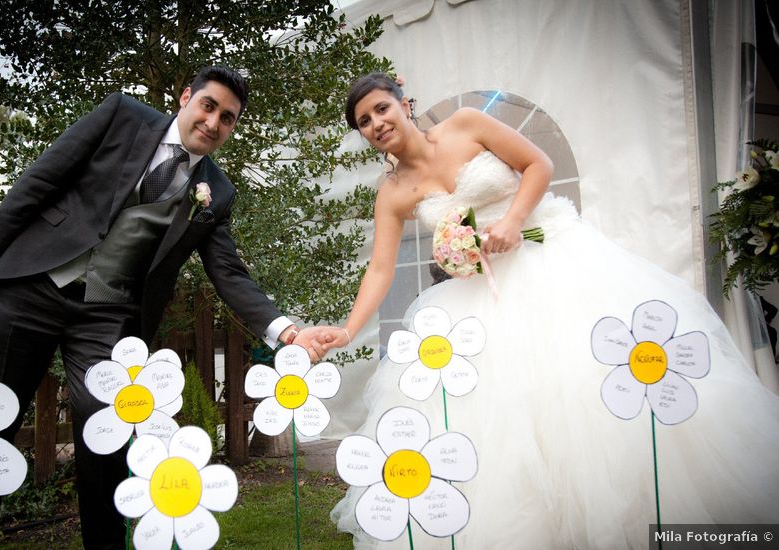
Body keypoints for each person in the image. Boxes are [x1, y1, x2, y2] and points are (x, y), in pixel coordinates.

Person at [310, 73, 779, 548]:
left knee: (583, 381)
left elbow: (537, 163)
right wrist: (349, 330)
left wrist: (513, 221)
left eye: (381, 109)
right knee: (506, 408)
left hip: (552, 257)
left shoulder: (466, 123)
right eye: (364, 122)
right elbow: (380, 271)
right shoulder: (393, 192)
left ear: (404, 104)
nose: (376, 123)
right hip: (479, 295)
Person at [0, 66, 326, 549]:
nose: (214, 122)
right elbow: (43, 177)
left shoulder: (218, 191)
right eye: (208, 106)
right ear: (186, 97)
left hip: (105, 315)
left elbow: (229, 273)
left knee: (106, 439)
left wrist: (285, 330)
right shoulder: (122, 115)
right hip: (35, 287)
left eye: (228, 118)